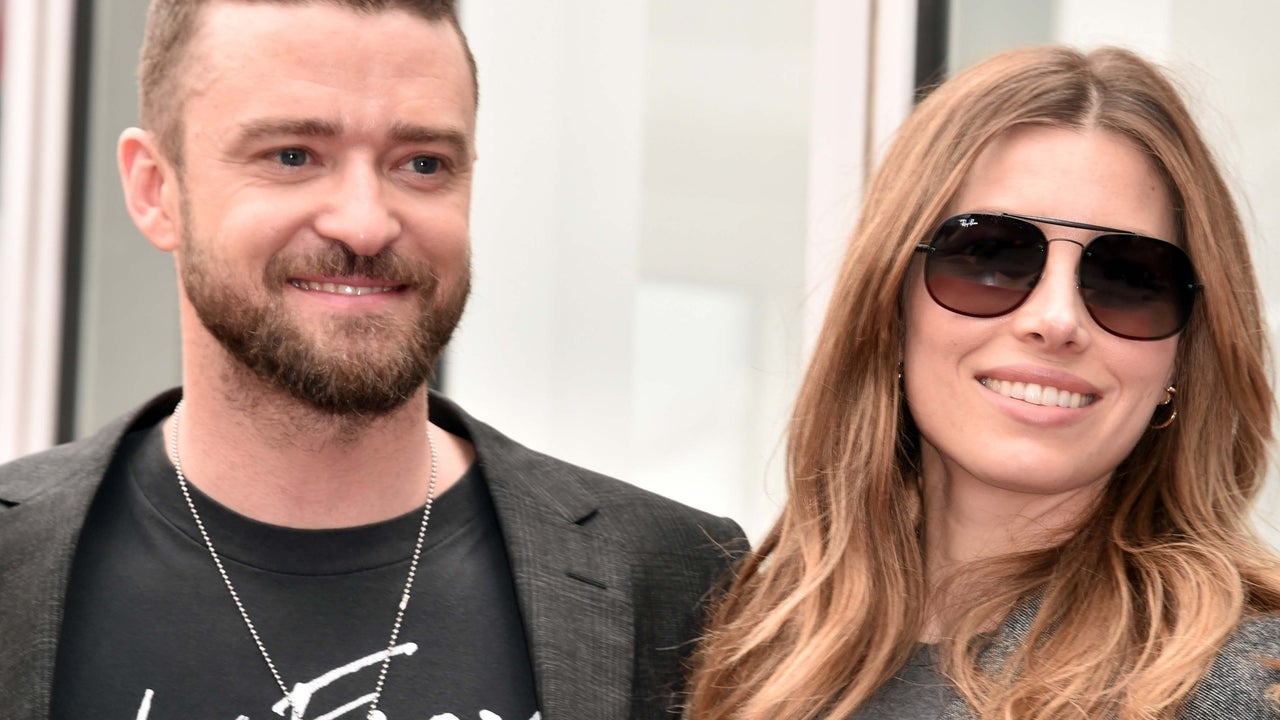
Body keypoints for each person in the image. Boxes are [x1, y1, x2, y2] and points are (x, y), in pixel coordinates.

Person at [0, 1, 745, 719]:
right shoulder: (15, 565)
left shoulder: (677, 583)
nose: (364, 222)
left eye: (421, 163)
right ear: (155, 189)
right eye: (293, 156)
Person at [686, 45, 1280, 719]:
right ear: (889, 309)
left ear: (1182, 359)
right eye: (990, 257)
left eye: (1128, 279)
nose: (1056, 320)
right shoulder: (745, 651)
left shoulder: (1248, 685)